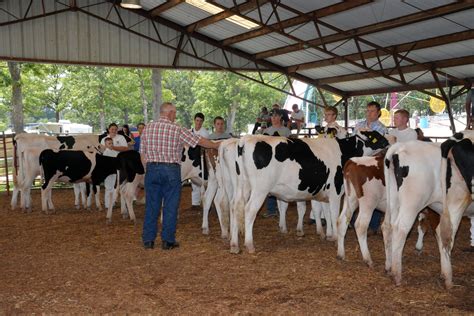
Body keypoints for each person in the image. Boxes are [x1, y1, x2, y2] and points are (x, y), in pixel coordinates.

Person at [140, 102, 219, 250]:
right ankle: (167, 241)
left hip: (152, 169)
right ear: (169, 113)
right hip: (170, 169)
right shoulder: (176, 128)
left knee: (151, 206)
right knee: (170, 206)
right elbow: (198, 141)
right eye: (174, 113)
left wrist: (148, 169)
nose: (175, 116)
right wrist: (216, 145)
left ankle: (148, 240)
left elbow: (142, 153)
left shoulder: (147, 128)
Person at [353, 101, 387, 234]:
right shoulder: (358, 125)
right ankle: (355, 220)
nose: (369, 113)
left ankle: (372, 224)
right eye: (367, 110)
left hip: (373, 164)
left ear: (378, 113)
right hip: (359, 163)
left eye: (372, 111)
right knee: (357, 192)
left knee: (373, 193)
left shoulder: (381, 129)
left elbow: (382, 147)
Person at [262, 109, 291, 218]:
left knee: (283, 183)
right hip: (270, 161)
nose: (273, 118)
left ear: (280, 117)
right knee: (270, 184)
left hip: (284, 161)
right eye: (272, 116)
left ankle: (282, 210)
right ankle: (271, 209)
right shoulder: (266, 131)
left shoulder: (286, 131)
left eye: (275, 116)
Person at [100, 123, 129, 209]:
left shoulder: (121, 137)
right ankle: (109, 204)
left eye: (115, 129)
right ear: (108, 129)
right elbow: (101, 150)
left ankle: (123, 202)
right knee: (109, 184)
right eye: (112, 129)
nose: (113, 131)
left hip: (120, 164)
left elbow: (125, 148)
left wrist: (113, 147)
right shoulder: (104, 139)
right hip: (108, 164)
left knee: (121, 183)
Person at [190, 113, 209, 210]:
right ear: (194, 120)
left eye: (200, 121)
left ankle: (206, 203)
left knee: (204, 181)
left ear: (203, 122)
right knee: (193, 181)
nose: (198, 123)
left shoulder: (205, 132)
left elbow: (205, 145)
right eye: (197, 120)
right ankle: (195, 203)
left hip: (202, 158)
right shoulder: (190, 131)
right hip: (192, 159)